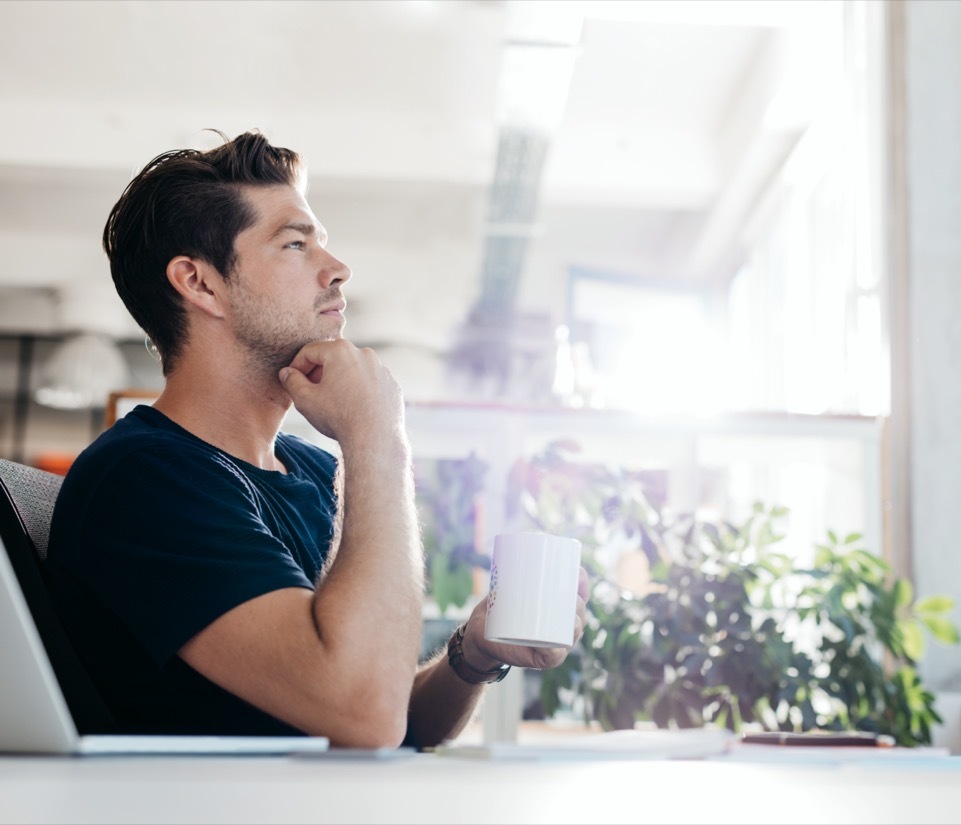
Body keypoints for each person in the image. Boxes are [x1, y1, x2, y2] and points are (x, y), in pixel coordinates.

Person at [45, 130, 589, 749]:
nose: (338, 270)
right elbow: (364, 714)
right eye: (296, 244)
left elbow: (390, 712)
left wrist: (474, 654)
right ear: (200, 284)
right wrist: (378, 436)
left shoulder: (308, 468)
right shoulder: (143, 479)